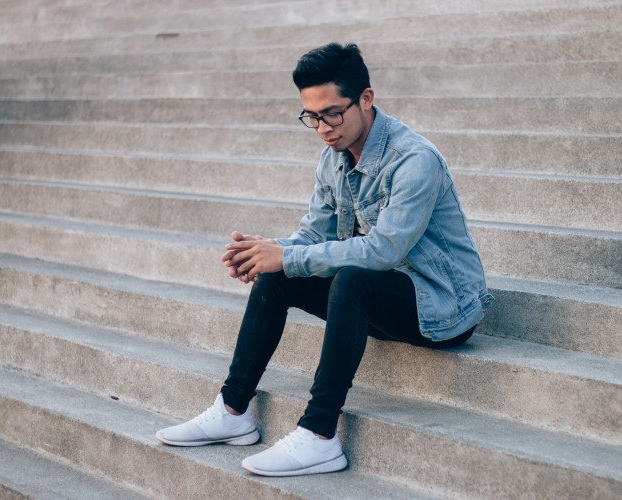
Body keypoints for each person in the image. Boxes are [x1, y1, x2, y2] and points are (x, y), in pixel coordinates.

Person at [155, 42, 493, 477]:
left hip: (441, 308)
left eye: (333, 113)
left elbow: (383, 251)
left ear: (366, 99)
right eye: (312, 116)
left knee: (349, 278)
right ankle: (233, 409)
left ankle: (319, 435)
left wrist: (287, 256)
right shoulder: (332, 156)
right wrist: (265, 252)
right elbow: (314, 234)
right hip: (379, 295)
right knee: (278, 276)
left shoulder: (415, 160)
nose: (323, 128)